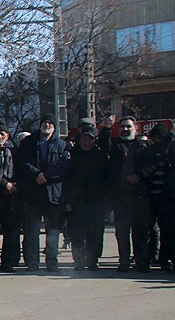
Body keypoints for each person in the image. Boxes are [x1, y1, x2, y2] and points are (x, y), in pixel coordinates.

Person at [15, 114, 71, 272]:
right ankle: (32, 263)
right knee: (31, 231)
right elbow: (22, 162)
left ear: (54, 127)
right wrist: (36, 174)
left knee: (53, 231)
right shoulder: (28, 143)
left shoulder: (62, 145)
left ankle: (52, 261)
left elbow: (65, 166)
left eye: (50, 123)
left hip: (53, 194)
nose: (47, 125)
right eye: (44, 122)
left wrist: (46, 175)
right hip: (33, 194)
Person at [61, 125, 110, 271]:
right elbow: (65, 179)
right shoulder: (72, 154)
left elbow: (107, 180)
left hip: (96, 201)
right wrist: (67, 200)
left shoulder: (101, 156)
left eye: (90, 139)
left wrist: (107, 202)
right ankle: (79, 260)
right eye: (84, 138)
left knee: (95, 233)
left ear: (94, 140)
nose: (86, 142)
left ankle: (93, 259)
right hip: (76, 201)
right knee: (76, 233)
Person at [106, 117, 146, 271]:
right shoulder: (115, 145)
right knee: (122, 231)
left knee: (140, 230)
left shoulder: (143, 145)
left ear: (135, 127)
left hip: (139, 196)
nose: (125, 129)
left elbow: (151, 165)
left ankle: (141, 261)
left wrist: (139, 175)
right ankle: (124, 260)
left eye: (128, 126)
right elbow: (104, 144)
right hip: (120, 196)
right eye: (122, 127)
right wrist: (108, 128)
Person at [134, 124, 174, 271]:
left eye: (160, 138)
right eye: (154, 137)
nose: (157, 140)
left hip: (165, 197)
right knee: (147, 230)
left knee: (166, 230)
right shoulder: (148, 152)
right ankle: (146, 259)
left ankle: (163, 259)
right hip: (149, 197)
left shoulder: (168, 153)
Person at [0, 120, 22, 272]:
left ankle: (8, 263)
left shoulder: (14, 151)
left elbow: (22, 169)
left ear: (7, 136)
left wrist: (14, 186)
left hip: (12, 196)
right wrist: (4, 184)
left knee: (11, 231)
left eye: (2, 134)